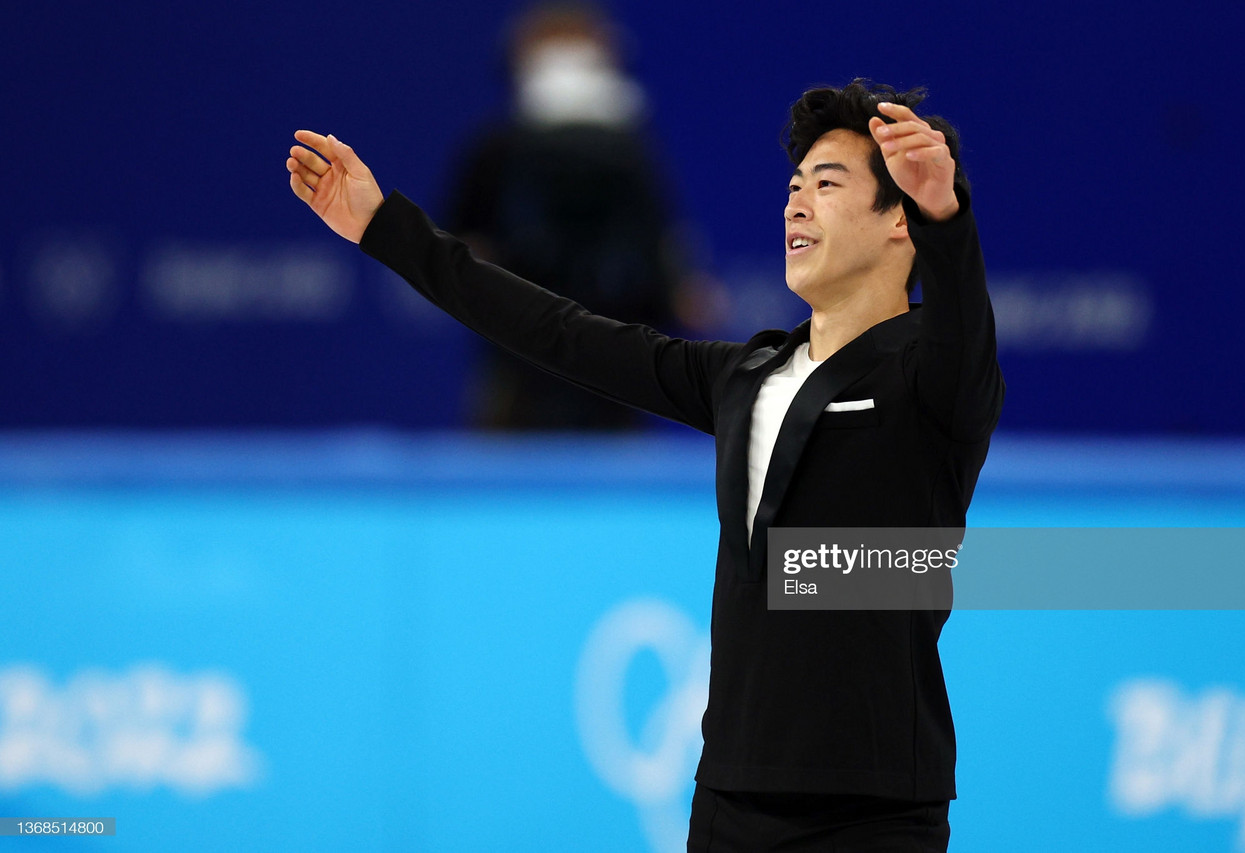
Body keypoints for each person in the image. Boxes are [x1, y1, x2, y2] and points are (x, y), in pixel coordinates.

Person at [286, 77, 1003, 852]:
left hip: (875, 809)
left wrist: (946, 218)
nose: (795, 205)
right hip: (729, 799)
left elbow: (964, 332)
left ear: (898, 219)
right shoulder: (745, 376)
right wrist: (386, 229)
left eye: (826, 186)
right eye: (794, 187)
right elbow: (557, 331)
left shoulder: (932, 380)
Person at [444, 1, 697, 430]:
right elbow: (458, 241)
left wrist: (675, 288)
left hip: (612, 356)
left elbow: (656, 240)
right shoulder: (497, 153)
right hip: (519, 358)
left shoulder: (630, 156)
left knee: (614, 474)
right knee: (506, 475)